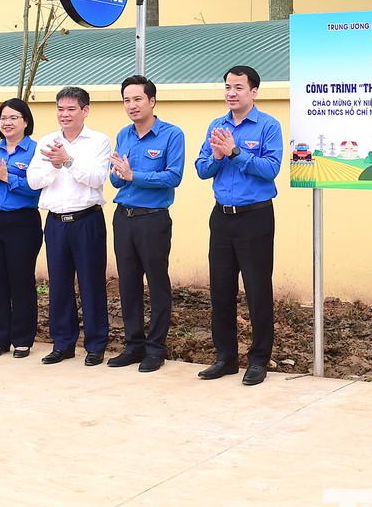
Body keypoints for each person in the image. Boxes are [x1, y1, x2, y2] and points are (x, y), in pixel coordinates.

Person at [194, 65, 283, 385]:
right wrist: (218, 156)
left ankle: (259, 359)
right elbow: (202, 169)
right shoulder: (216, 125)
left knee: (258, 291)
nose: (231, 93)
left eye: (238, 88)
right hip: (221, 218)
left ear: (254, 92)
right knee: (220, 290)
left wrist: (234, 152)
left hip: (255, 218)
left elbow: (270, 168)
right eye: (228, 87)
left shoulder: (268, 127)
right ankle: (225, 357)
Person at [27, 86, 112, 366]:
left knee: (91, 284)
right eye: (60, 109)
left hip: (87, 220)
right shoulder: (46, 141)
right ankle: (63, 343)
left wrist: (67, 161)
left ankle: (96, 344)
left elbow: (97, 177)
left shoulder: (98, 140)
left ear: (85, 111)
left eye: (71, 109)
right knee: (59, 285)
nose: (64, 114)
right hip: (55, 223)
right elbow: (33, 180)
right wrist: (54, 164)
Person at [109, 76, 186, 374]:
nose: (132, 105)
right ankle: (133, 345)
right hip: (123, 217)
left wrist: (133, 176)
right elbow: (116, 178)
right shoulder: (123, 134)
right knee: (127, 284)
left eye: (137, 99)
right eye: (127, 100)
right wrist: (118, 173)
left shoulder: (171, 135)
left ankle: (156, 348)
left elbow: (173, 177)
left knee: (156, 283)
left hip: (152, 219)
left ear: (152, 101)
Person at [0, 98, 42, 359]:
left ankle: (23, 338)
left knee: (21, 279)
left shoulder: (36, 150)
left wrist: (7, 177)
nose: (7, 122)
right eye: (3, 118)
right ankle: (0, 337)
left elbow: (36, 187)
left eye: (14, 117)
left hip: (22, 222)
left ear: (26, 121)